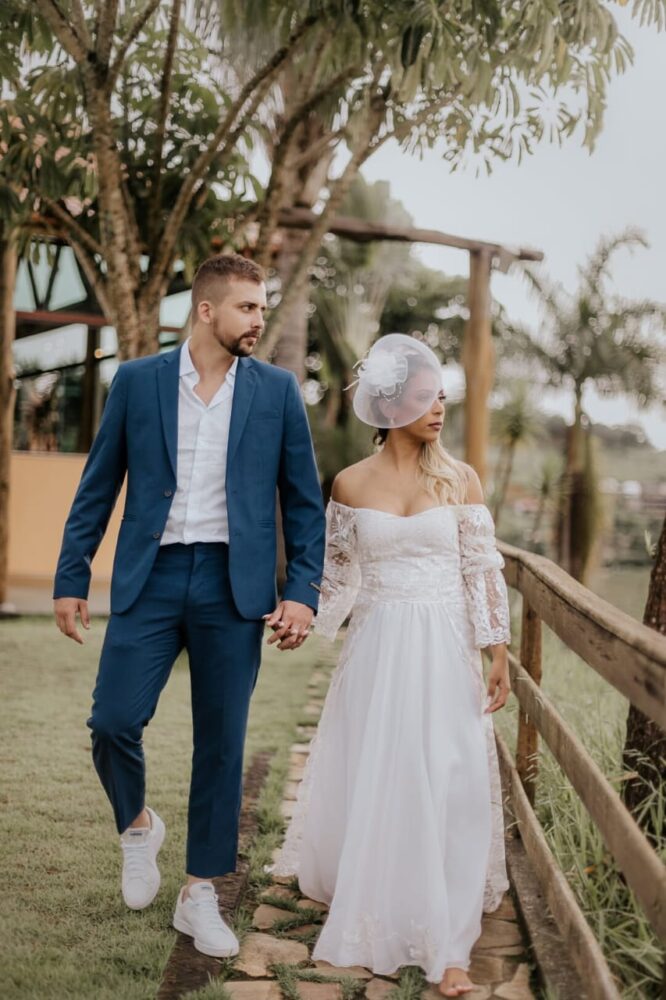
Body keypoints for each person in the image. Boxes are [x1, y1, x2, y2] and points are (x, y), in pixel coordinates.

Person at [53, 253, 326, 958]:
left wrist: (301, 592)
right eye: (247, 307)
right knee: (113, 720)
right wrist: (71, 575)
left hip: (233, 588)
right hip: (151, 577)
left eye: (263, 308)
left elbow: (303, 503)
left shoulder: (277, 392)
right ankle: (138, 826)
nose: (259, 319)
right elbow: (98, 484)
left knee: (222, 743)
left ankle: (200, 892)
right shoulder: (139, 382)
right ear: (207, 311)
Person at [272, 334, 512, 997]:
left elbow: (480, 570)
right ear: (388, 402)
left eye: (441, 395)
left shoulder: (460, 478)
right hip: (377, 650)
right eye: (424, 394)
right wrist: (301, 621)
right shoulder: (350, 482)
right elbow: (337, 579)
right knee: (381, 772)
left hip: (445, 650)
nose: (439, 406)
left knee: (449, 782)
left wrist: (498, 651)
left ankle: (449, 940)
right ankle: (377, 890)